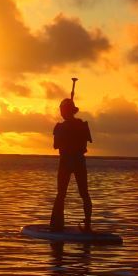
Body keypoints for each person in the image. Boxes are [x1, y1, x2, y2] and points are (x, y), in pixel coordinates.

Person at [50, 98, 93, 232]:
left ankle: (57, 225)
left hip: (67, 162)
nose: (61, 113)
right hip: (79, 161)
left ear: (66, 111)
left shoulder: (61, 127)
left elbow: (55, 145)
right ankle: (86, 225)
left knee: (62, 194)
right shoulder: (81, 125)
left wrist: (66, 130)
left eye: (62, 110)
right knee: (84, 193)